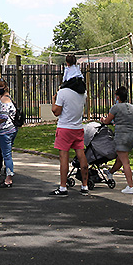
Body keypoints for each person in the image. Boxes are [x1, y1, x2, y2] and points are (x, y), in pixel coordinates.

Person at [49, 68, 89, 196]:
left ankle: (62, 186)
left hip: (65, 128)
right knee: (81, 155)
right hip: (78, 127)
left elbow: (56, 111)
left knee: (63, 157)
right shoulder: (83, 93)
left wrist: (53, 100)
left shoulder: (63, 92)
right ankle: (85, 185)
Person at [101, 86, 133, 193]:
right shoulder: (131, 107)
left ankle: (130, 186)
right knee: (120, 158)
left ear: (118, 96)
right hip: (131, 135)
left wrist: (103, 120)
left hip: (121, 136)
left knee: (125, 162)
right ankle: (110, 172)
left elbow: (107, 121)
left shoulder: (115, 107)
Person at [0, 79, 18, 187]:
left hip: (4, 131)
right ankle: (8, 174)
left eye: (0, 86)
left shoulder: (3, 101)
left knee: (7, 155)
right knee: (7, 153)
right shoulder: (9, 98)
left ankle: (8, 178)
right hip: (12, 129)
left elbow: (2, 117)